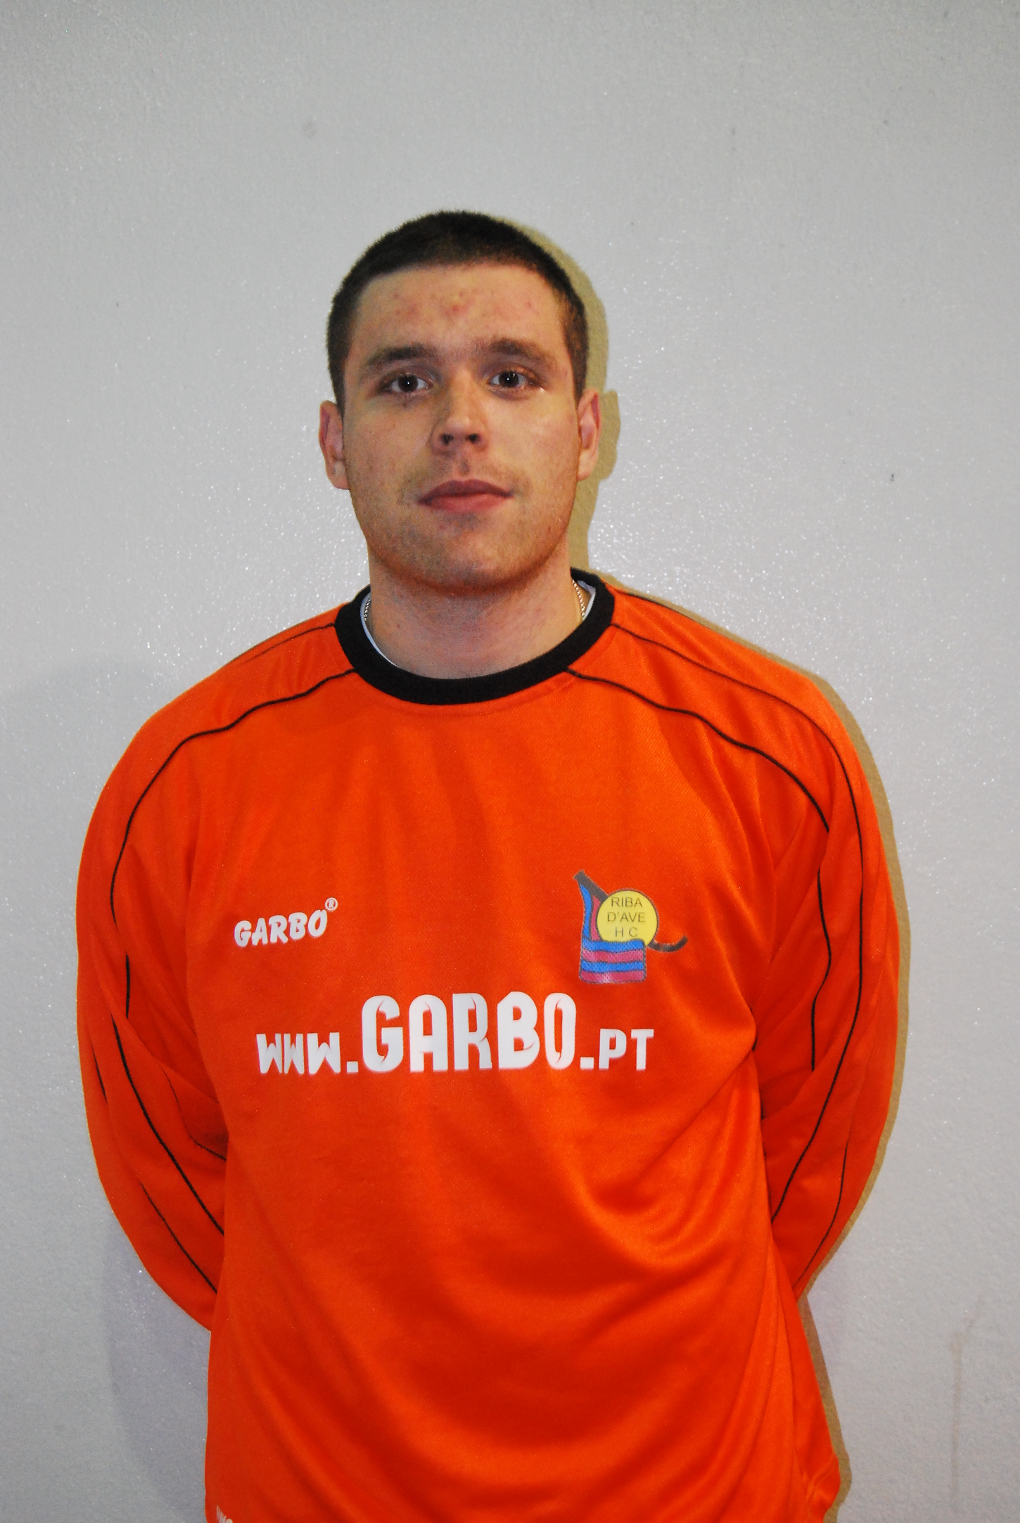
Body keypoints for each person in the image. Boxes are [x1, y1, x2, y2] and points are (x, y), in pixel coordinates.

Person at [77, 211, 899, 1523]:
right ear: (335, 441)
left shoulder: (771, 751)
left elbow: (811, 1144)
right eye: (404, 381)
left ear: (586, 428)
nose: (461, 421)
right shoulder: (185, 784)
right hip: (324, 1493)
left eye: (512, 375)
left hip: (693, 1488)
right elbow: (165, 1173)